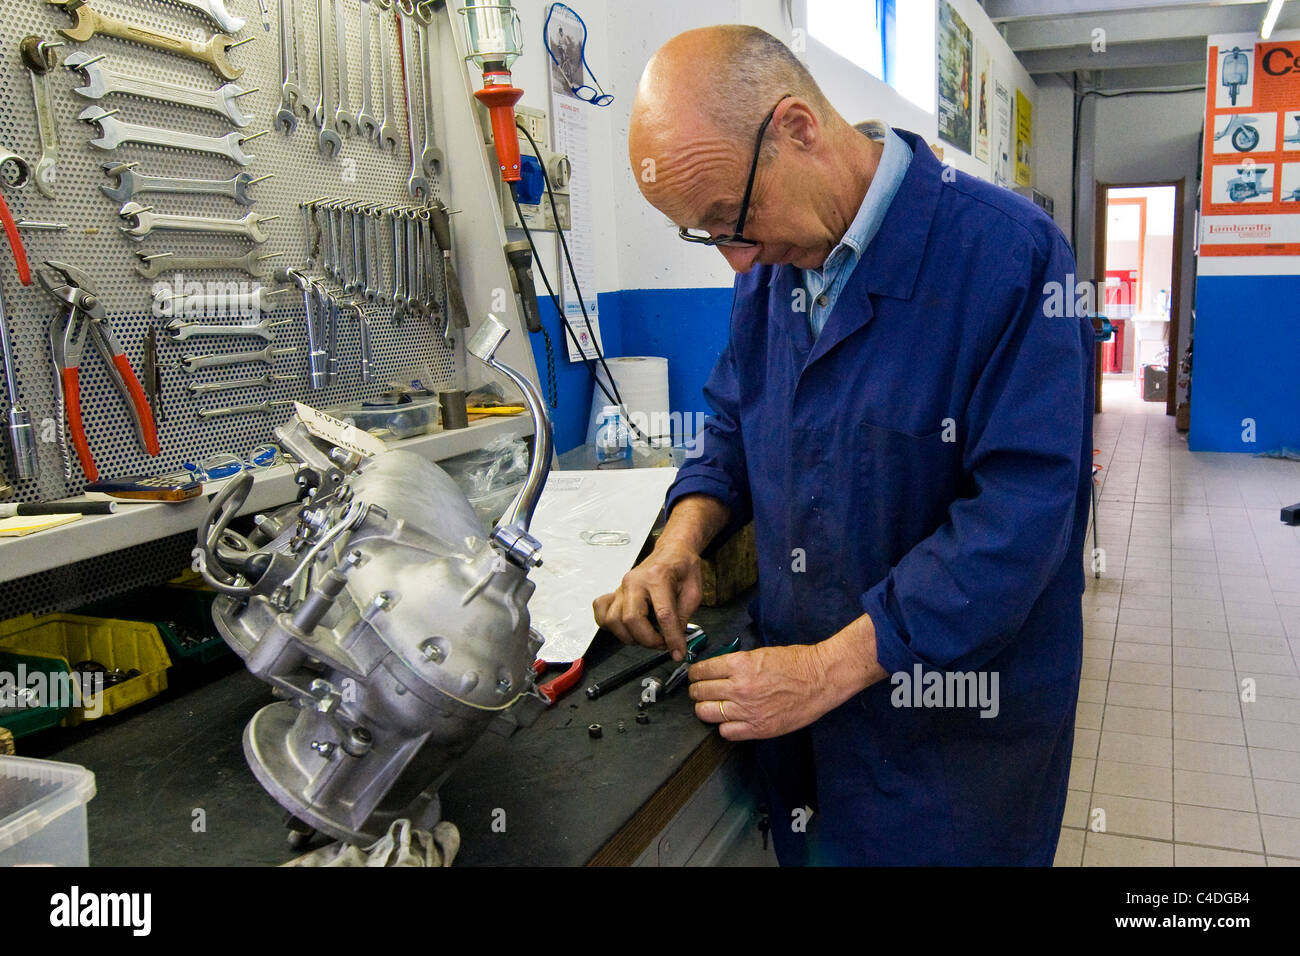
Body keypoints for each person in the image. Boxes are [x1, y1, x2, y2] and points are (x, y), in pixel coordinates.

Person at [594, 25, 1094, 865]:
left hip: (955, 742)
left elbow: (1017, 526)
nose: (734, 263)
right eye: (705, 238)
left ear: (796, 128)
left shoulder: (1013, 259)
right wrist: (680, 541)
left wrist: (827, 670)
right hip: (808, 726)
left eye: (731, 221)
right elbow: (731, 426)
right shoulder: (771, 274)